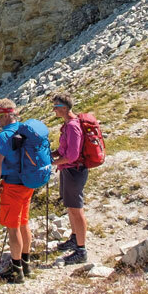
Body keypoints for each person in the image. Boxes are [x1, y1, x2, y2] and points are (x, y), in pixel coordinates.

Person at [0, 98, 51, 284]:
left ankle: (16, 271)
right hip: (28, 183)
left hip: (13, 185)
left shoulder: (5, 135)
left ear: (7, 115)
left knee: (13, 226)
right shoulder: (26, 130)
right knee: (23, 222)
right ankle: (26, 264)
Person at [51, 94, 91, 265]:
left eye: (56, 106)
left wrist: (54, 162)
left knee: (76, 208)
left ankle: (81, 250)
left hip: (74, 171)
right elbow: (64, 150)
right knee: (70, 206)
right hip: (68, 170)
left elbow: (73, 156)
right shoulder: (67, 125)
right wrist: (52, 155)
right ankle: (75, 239)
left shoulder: (73, 126)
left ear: (65, 108)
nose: (54, 109)